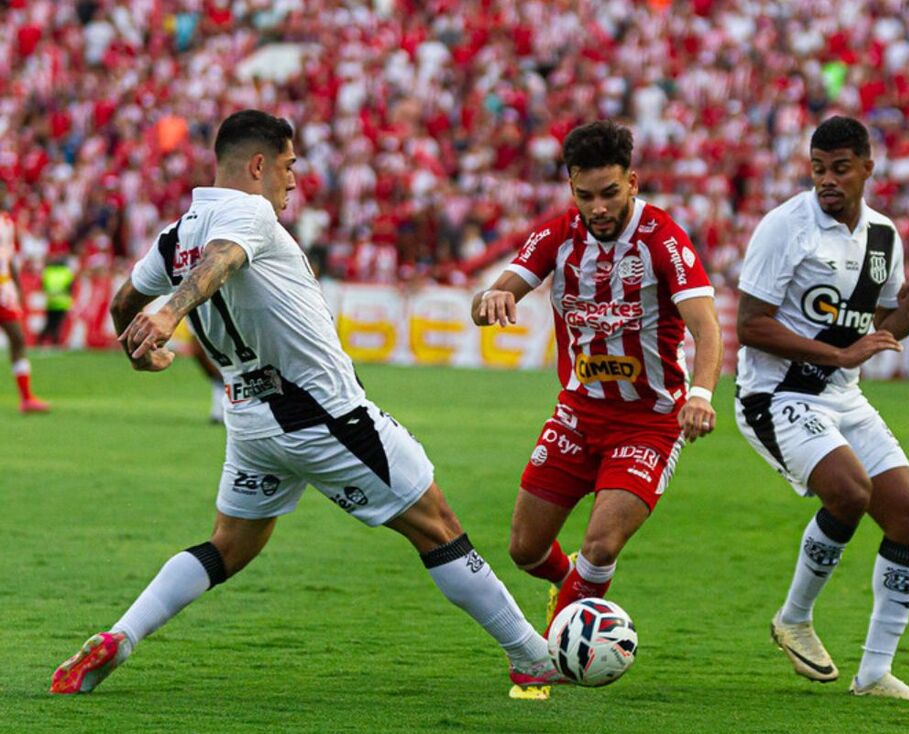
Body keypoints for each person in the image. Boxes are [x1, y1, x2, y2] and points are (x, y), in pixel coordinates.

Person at [50, 110, 562, 695]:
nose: (294, 180)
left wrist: (136, 346)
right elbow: (224, 260)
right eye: (290, 166)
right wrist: (169, 313)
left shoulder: (175, 234)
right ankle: (531, 655)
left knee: (228, 547)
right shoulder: (249, 212)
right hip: (322, 414)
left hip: (251, 420)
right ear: (259, 165)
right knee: (439, 527)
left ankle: (121, 637)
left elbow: (122, 301)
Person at [471, 120, 722, 693]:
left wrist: (701, 397)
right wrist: (490, 298)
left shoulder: (664, 239)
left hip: (650, 422)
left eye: (610, 193)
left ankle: (555, 650)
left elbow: (709, 331)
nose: (599, 207)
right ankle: (572, 589)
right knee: (524, 549)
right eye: (585, 195)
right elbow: (495, 294)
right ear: (571, 188)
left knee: (601, 543)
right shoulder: (558, 236)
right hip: (578, 416)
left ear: (632, 182)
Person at [734, 116, 909, 702]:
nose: (827, 180)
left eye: (840, 168)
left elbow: (873, 331)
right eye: (819, 168)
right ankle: (794, 617)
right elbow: (751, 325)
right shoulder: (785, 228)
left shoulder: (882, 237)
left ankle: (874, 674)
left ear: (867, 168)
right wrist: (839, 351)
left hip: (842, 395)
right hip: (776, 395)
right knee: (849, 491)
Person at [0, 212, 49, 413]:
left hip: (4, 289)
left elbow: (9, 256)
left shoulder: (6, 221)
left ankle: (27, 398)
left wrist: (17, 287)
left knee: (18, 338)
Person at [38, 248, 75, 347]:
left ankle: (41, 340)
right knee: (59, 324)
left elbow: (43, 285)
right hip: (63, 302)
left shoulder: (47, 272)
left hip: (51, 301)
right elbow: (71, 287)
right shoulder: (66, 272)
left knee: (49, 322)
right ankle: (55, 341)